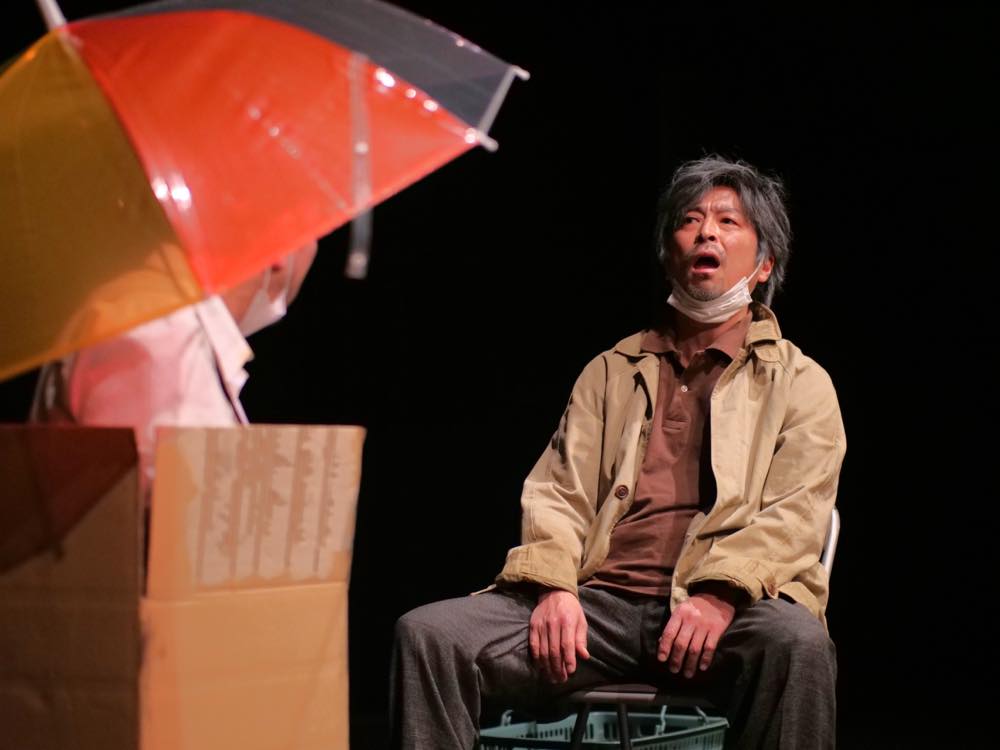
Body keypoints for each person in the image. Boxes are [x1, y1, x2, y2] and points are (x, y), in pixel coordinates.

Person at [390, 156, 846, 749]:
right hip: (598, 610)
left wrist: (719, 596)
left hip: (726, 612)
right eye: (690, 220)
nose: (706, 233)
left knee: (799, 644)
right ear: (668, 253)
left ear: (764, 265)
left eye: (728, 222)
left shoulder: (800, 381)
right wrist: (554, 587)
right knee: (428, 636)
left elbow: (796, 514)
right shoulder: (611, 371)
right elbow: (559, 493)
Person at [30, 241, 318, 497]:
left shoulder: (165, 320)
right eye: (316, 233)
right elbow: (185, 515)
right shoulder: (162, 330)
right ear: (278, 244)